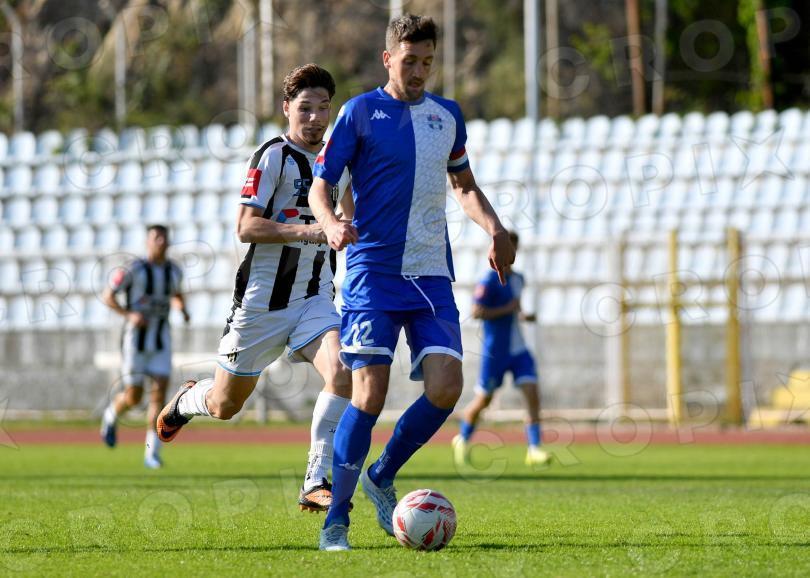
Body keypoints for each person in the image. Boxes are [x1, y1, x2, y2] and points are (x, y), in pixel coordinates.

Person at [309, 14, 515, 551]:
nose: (419, 70)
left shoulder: (448, 116)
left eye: (427, 61)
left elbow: (463, 185)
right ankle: (337, 521)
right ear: (388, 59)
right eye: (410, 60)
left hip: (431, 274)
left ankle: (382, 473)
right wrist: (330, 223)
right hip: (372, 273)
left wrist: (495, 228)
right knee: (369, 394)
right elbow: (321, 186)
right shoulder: (359, 113)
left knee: (446, 387)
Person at [155, 64, 353, 512]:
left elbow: (347, 216)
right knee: (225, 406)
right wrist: (311, 231)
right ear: (286, 109)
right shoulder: (272, 156)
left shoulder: (338, 161)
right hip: (261, 305)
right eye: (305, 108)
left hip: (315, 298)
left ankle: (315, 480)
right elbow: (246, 226)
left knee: (342, 371)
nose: (316, 118)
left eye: (324, 108)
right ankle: (187, 400)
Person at [452, 231, 551, 469]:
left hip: (518, 348)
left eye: (512, 248)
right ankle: (462, 438)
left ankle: (534, 449)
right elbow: (476, 312)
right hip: (495, 351)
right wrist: (507, 309)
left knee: (533, 394)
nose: (510, 253)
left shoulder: (519, 279)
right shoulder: (488, 281)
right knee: (483, 400)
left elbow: (516, 309)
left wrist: (524, 316)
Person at [100, 224, 189, 469]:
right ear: (147, 242)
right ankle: (111, 415)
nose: (160, 241)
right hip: (135, 342)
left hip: (161, 340)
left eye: (163, 237)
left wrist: (182, 308)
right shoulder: (133, 269)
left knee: (159, 395)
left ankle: (152, 453)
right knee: (134, 397)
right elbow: (108, 296)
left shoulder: (174, 270)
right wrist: (129, 314)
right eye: (156, 237)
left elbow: (176, 293)